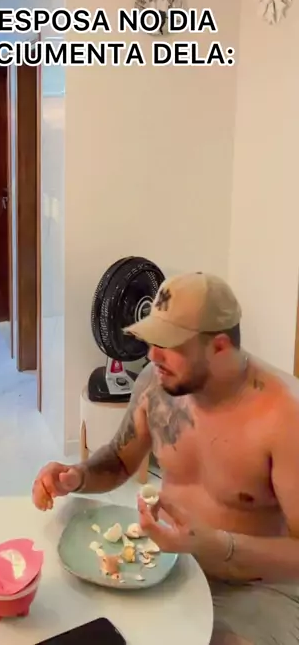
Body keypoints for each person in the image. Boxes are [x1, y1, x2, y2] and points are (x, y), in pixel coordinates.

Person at [32, 272, 299, 645]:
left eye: (169, 344)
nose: (152, 355)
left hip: (256, 589)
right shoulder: (156, 384)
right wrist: (77, 476)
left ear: (219, 348)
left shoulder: (284, 418)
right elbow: (120, 460)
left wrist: (219, 545)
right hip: (166, 566)